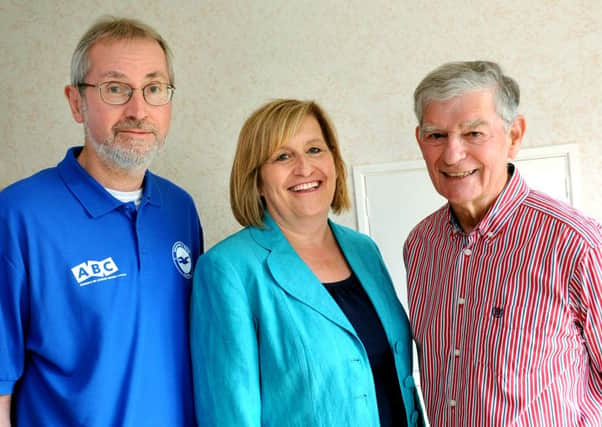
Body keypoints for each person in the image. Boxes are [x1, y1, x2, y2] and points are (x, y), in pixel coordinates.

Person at [0, 17, 203, 426]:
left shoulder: (180, 210)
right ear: (76, 102)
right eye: (115, 89)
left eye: (154, 89)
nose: (138, 110)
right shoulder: (18, 214)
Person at [190, 99, 423, 426]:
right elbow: (230, 413)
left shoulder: (364, 250)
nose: (304, 168)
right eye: (283, 156)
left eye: (314, 150)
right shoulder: (228, 268)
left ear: (334, 161)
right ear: (256, 179)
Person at [403, 60, 602, 425]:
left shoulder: (576, 242)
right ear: (420, 140)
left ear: (514, 136)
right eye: (436, 135)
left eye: (474, 134)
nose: (452, 154)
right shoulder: (420, 245)